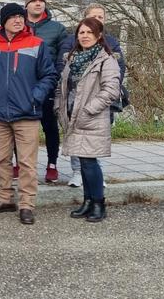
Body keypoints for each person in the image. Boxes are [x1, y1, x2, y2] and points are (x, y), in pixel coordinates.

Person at [0, 3, 57, 225]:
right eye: (12, 17)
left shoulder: (36, 44)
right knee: (1, 159)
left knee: (27, 162)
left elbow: (49, 75)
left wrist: (35, 97)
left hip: (27, 113)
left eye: (20, 17)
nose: (18, 20)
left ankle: (26, 205)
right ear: (4, 21)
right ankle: (5, 199)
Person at [55, 17, 120, 222]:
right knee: (82, 162)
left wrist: (88, 109)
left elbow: (111, 91)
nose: (84, 36)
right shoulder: (73, 58)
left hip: (91, 118)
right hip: (71, 116)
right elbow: (62, 86)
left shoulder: (106, 60)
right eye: (81, 32)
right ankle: (88, 201)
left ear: (99, 36)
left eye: (89, 33)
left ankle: (99, 203)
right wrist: (58, 106)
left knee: (90, 162)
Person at [24, 0, 67, 183]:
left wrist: (54, 78)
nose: (38, 3)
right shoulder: (17, 24)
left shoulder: (57, 29)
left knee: (50, 127)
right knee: (21, 127)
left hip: (47, 84)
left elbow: (63, 57)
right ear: (27, 5)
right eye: (33, 1)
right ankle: (19, 163)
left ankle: (52, 164)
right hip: (22, 86)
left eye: (41, 1)